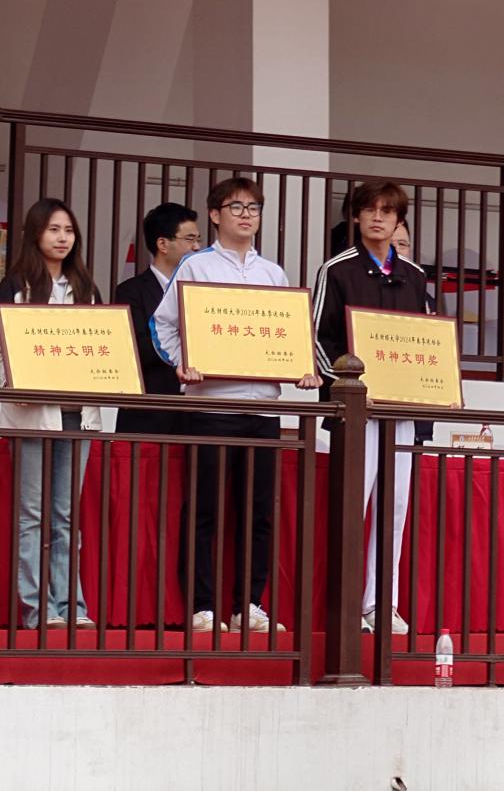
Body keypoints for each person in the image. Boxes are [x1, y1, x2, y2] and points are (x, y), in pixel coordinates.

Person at [153, 177, 321, 634]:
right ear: (214, 214)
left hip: (263, 410)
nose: (246, 216)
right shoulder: (196, 266)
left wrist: (303, 368)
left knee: (258, 514)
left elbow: (291, 336)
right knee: (204, 510)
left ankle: (249, 603)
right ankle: (202, 606)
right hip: (211, 407)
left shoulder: (273, 274)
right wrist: (183, 363)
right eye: (236, 207)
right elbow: (162, 325)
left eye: (253, 208)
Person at [313, 182, 429, 636]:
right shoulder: (337, 269)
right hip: (356, 408)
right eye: (370, 210)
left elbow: (427, 339)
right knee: (353, 501)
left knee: (395, 505)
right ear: (356, 217)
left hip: (401, 407)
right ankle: (345, 605)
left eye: (387, 211)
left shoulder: (414, 276)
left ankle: (382, 603)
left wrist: (430, 389)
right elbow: (318, 338)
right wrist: (349, 387)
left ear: (399, 220)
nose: (378, 218)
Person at [0, 198, 99, 630]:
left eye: (68, 230)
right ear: (35, 234)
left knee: (66, 517)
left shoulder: (85, 288)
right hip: (32, 414)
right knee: (32, 515)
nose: (62, 238)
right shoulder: (15, 286)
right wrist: (17, 383)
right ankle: (39, 610)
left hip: (77, 416)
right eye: (53, 229)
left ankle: (72, 607)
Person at [114, 202, 200, 435]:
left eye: (198, 240)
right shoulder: (130, 291)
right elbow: (134, 348)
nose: (197, 247)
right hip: (149, 412)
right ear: (162, 244)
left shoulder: (203, 292)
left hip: (197, 413)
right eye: (190, 239)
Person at [392, 221, 436, 447]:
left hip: (414, 399)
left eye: (403, 244)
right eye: (391, 244)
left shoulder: (424, 296)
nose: (397, 250)